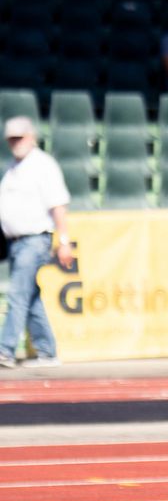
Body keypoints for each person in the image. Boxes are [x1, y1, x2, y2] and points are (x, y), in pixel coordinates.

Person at [0, 117, 74, 368]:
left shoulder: (43, 165)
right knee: (30, 297)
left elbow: (58, 205)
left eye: (19, 137)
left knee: (18, 294)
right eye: (11, 138)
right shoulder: (14, 167)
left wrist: (64, 241)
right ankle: (47, 351)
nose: (15, 142)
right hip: (16, 242)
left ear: (32, 136)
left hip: (34, 239)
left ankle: (5, 349)